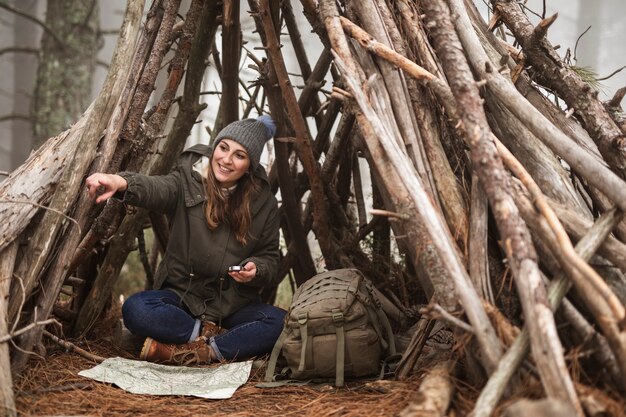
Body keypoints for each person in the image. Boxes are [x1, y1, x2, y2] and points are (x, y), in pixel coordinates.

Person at [85, 115, 286, 366]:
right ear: (215, 148)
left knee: (280, 322)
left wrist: (256, 269)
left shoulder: (263, 203)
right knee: (136, 309)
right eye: (223, 148)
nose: (226, 159)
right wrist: (121, 181)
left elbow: (270, 258)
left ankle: (198, 350)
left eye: (239, 155)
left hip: (232, 307)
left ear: (249, 165)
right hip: (182, 299)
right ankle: (214, 342)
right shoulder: (188, 181)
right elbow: (157, 188)